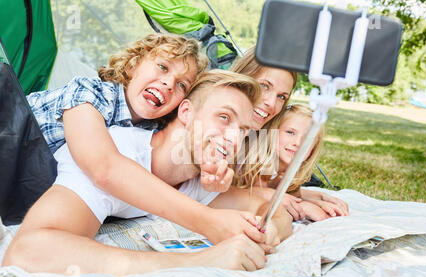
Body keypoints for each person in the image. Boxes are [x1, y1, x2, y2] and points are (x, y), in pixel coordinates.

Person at [2, 70, 292, 276]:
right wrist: (200, 261)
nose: (233, 138)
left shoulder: (200, 180)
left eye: (243, 131)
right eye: (224, 118)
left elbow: (269, 207)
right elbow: (28, 252)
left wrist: (270, 232)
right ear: (187, 112)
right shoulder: (118, 150)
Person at [21, 34, 262, 244]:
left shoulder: (151, 128)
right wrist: (206, 220)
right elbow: (102, 166)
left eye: (181, 84)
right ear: (132, 66)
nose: (168, 83)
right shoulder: (90, 94)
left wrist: (211, 180)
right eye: (163, 67)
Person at [230, 47, 349, 218]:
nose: (271, 103)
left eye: (281, 97)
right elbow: (214, 193)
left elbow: (257, 185)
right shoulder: (214, 126)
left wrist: (310, 196)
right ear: (243, 76)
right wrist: (276, 198)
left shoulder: (256, 137)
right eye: (264, 86)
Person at [235, 103, 349, 221]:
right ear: (272, 131)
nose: (298, 142)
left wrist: (321, 200)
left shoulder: (287, 168)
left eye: (307, 138)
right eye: (290, 132)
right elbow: (254, 193)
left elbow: (290, 195)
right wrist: (303, 207)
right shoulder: (258, 161)